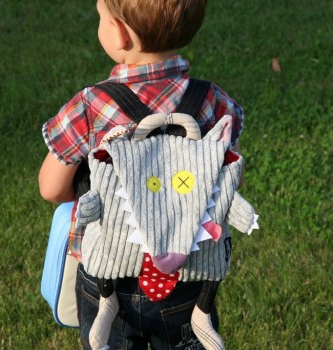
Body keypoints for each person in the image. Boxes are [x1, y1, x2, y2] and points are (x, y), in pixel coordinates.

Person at [39, 0, 246, 349]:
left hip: (108, 275)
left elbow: (52, 188)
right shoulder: (213, 101)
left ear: (119, 33)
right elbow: (229, 180)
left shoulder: (91, 105)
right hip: (187, 272)